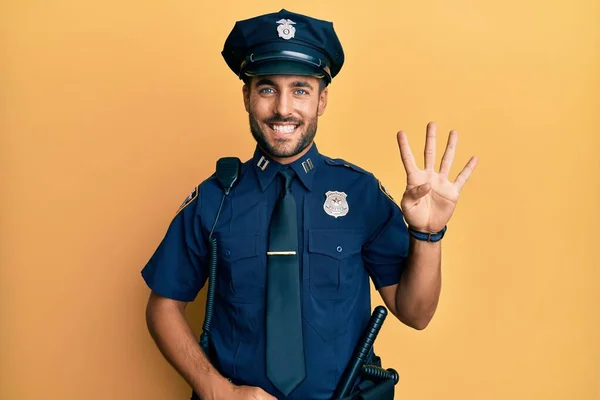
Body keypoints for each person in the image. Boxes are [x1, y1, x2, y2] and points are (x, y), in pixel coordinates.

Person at [141, 9, 478, 400]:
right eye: (267, 88)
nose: (283, 108)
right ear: (247, 96)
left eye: (300, 89)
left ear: (321, 100)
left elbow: (415, 313)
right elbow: (162, 307)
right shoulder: (216, 198)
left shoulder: (360, 193)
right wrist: (217, 391)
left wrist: (428, 233)